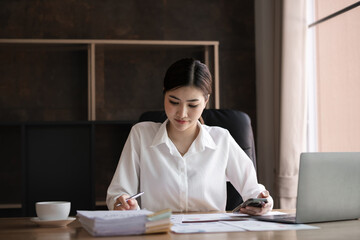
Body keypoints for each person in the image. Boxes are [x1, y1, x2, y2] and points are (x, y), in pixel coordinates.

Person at [106, 58, 273, 215]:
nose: (182, 113)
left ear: (206, 101)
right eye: (173, 102)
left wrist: (262, 202)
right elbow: (119, 193)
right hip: (159, 233)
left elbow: (253, 191)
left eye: (192, 104)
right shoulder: (141, 135)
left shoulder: (221, 139)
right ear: (164, 94)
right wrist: (122, 204)